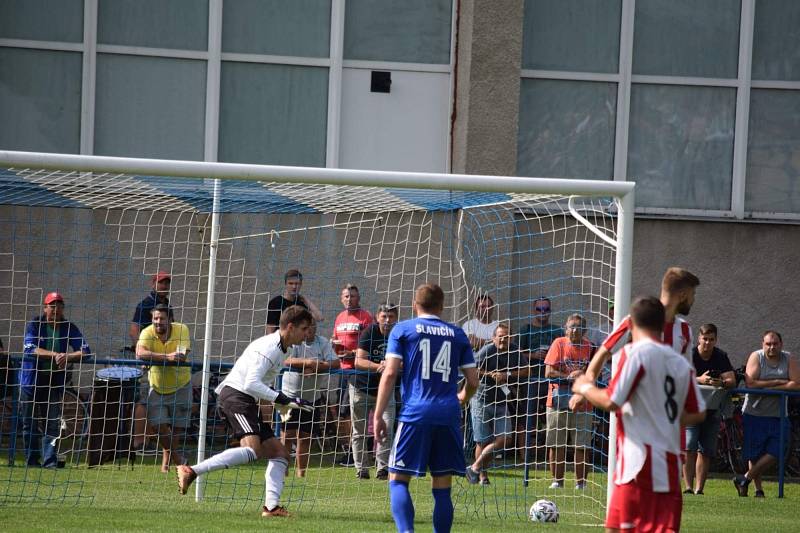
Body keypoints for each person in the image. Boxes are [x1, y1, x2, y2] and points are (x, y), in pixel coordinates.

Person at [572, 296, 706, 532]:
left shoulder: (633, 354)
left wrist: (584, 387)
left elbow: (612, 400)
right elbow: (697, 412)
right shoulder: (681, 364)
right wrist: (662, 417)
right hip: (657, 464)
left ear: (631, 323)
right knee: (613, 527)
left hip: (641, 464)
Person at [177, 306, 314, 518]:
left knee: (281, 454)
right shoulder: (269, 347)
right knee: (252, 451)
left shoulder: (285, 348)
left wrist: (281, 404)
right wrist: (281, 398)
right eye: (304, 328)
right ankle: (191, 470)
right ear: (290, 326)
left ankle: (271, 508)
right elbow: (250, 383)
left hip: (245, 400)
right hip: (236, 396)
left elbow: (261, 384)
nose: (307, 333)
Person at [373, 284, 478, 533]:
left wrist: (378, 415)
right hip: (448, 413)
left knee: (398, 479)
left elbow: (389, 373)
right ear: (442, 307)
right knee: (442, 485)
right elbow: (473, 381)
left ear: (414, 304)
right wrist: (462, 396)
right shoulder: (457, 333)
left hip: (415, 412)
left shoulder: (403, 329)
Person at [570, 267, 700, 411]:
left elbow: (687, 373)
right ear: (682, 296)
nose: (693, 300)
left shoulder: (685, 330)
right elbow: (602, 353)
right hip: (635, 416)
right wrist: (585, 388)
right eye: (692, 294)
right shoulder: (636, 321)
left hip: (669, 418)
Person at [21, 292, 91, 468]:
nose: (56, 309)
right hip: (31, 381)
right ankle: (31, 461)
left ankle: (50, 461)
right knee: (29, 424)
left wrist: (68, 356)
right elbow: (30, 348)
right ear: (45, 308)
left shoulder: (69, 327)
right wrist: (56, 355)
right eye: (52, 306)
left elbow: (85, 350)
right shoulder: (35, 324)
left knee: (52, 424)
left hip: (53, 381)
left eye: (59, 306)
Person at [733, 330, 800, 498]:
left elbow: (796, 384)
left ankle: (744, 478)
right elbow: (751, 383)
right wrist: (778, 381)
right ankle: (758, 490)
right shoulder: (756, 357)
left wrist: (770, 388)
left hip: (778, 415)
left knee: (779, 449)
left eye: (775, 343)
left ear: (781, 344)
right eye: (768, 344)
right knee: (754, 452)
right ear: (763, 344)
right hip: (754, 413)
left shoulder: (788, 358)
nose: (772, 347)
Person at [465, 322, 526, 485]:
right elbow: (471, 369)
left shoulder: (515, 351)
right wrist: (491, 374)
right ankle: (482, 476)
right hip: (481, 400)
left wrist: (506, 374)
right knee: (482, 441)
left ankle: (474, 467)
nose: (503, 340)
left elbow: (527, 371)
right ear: (494, 338)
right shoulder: (487, 350)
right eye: (500, 337)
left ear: (511, 338)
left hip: (501, 402)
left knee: (505, 439)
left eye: (506, 337)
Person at [136, 304, 193, 472]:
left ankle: (166, 464)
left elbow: (181, 356)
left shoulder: (182, 329)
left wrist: (154, 358)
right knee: (158, 426)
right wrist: (167, 357)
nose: (158, 322)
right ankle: (178, 458)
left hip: (181, 384)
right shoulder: (147, 332)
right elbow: (139, 353)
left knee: (176, 428)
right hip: (157, 386)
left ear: (170, 320)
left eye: (162, 318)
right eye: (155, 318)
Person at [281, 318, 339, 478]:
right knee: (287, 436)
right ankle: (283, 471)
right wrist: (307, 362)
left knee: (305, 437)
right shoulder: (295, 341)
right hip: (289, 396)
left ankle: (301, 474)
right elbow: (286, 360)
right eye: (306, 327)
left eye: (312, 327)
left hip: (311, 397)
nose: (309, 330)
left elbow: (335, 363)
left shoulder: (322, 342)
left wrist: (317, 367)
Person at [683, 323, 735, 495]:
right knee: (689, 448)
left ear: (715, 340)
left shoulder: (720, 356)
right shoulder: (689, 354)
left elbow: (731, 380)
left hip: (712, 410)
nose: (707, 343)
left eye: (711, 339)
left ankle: (699, 489)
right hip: (690, 409)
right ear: (699, 338)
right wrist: (699, 380)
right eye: (705, 339)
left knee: (706, 451)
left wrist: (720, 382)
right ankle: (688, 487)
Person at [543, 314, 593, 490]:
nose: (574, 330)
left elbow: (596, 373)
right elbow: (548, 372)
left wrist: (583, 376)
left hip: (583, 402)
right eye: (571, 326)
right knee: (557, 444)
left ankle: (581, 484)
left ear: (584, 331)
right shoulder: (559, 343)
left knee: (582, 445)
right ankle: (557, 481)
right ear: (565, 328)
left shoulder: (590, 346)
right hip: (558, 401)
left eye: (579, 327)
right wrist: (569, 376)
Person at [350, 303, 399, 480]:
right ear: (377, 317)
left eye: (391, 317)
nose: (387, 320)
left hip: (385, 390)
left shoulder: (399, 335)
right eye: (384, 316)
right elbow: (358, 361)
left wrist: (393, 365)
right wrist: (380, 366)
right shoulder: (369, 332)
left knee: (387, 428)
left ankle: (383, 469)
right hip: (361, 388)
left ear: (396, 318)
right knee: (360, 431)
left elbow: (407, 360)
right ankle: (361, 469)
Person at [129, 270, 174, 453]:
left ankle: (149, 440)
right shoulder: (145, 304)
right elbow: (134, 330)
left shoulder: (167, 305)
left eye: (167, 283)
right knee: (144, 399)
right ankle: (139, 442)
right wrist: (141, 352)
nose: (164, 286)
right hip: (149, 360)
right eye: (161, 282)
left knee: (156, 398)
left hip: (163, 361)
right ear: (153, 284)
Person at [331, 284, 373, 465]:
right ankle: (349, 449)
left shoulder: (366, 317)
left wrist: (353, 353)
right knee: (343, 411)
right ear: (342, 298)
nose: (349, 299)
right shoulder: (340, 317)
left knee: (356, 410)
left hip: (358, 370)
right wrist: (334, 344)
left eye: (353, 296)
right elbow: (335, 339)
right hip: (342, 369)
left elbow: (370, 345)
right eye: (346, 296)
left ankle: (361, 451)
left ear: (359, 298)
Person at [518, 297, 563, 451]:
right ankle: (524, 456)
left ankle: (550, 452)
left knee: (553, 415)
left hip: (552, 379)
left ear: (550, 311)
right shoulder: (526, 329)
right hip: (530, 380)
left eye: (546, 309)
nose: (542, 312)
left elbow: (565, 352)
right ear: (533, 310)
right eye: (539, 309)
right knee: (527, 416)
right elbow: (515, 353)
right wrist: (534, 355)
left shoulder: (557, 331)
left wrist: (551, 356)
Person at [266, 269, 323, 334]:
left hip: (298, 342)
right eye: (290, 283)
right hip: (281, 341)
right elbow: (270, 329)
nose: (294, 286)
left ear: (301, 284)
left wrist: (306, 300)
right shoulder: (275, 303)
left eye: (297, 284)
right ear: (285, 284)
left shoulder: (301, 303)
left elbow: (319, 318)